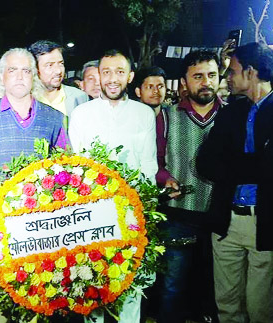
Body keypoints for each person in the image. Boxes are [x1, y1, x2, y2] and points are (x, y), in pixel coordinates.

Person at [196, 42, 273, 323]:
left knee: (261, 308)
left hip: (267, 222)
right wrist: (255, 163)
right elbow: (205, 163)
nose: (227, 78)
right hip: (226, 220)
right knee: (227, 305)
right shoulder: (231, 112)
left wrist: (233, 163)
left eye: (232, 71)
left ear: (251, 71)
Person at [69, 49, 158, 323]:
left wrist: (142, 211)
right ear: (97, 75)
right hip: (92, 216)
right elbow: (78, 168)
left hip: (132, 214)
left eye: (119, 72)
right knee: (91, 287)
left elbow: (148, 166)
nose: (112, 78)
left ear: (130, 76)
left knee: (130, 288)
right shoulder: (81, 114)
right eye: (106, 72)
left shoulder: (144, 114)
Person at [152, 51, 223, 323]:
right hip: (178, 216)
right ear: (184, 82)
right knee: (173, 287)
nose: (206, 82)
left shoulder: (231, 115)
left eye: (212, 75)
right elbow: (156, 161)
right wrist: (166, 178)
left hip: (219, 218)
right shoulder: (167, 117)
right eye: (198, 76)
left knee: (215, 288)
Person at [0, 48, 69, 205]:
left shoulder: (54, 118)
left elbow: (65, 168)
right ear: (2, 77)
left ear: (34, 77)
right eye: (12, 70)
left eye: (26, 71)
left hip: (43, 215)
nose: (20, 77)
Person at [28, 40, 88, 116]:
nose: (58, 71)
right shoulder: (25, 98)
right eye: (49, 65)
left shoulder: (80, 97)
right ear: (35, 69)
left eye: (61, 63)